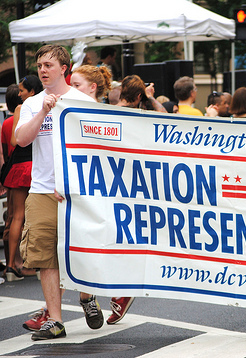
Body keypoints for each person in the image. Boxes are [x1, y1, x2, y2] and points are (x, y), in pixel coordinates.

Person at [15, 45, 105, 341]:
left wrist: (76, 184)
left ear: (64, 68)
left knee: (82, 250)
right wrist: (43, 110)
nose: (42, 70)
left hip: (77, 192)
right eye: (39, 65)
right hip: (42, 190)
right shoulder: (32, 103)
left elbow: (97, 148)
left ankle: (87, 296)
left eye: (48, 65)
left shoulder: (83, 101)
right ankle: (55, 320)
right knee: (45, 257)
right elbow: (21, 140)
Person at [71, 65, 137, 325]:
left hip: (107, 188)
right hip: (75, 189)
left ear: (92, 88)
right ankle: (80, 301)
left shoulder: (109, 114)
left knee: (102, 242)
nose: (70, 90)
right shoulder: (65, 113)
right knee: (71, 246)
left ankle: (105, 294)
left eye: (75, 85)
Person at [2, 76, 43, 282]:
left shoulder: (22, 109)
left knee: (17, 216)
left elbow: (13, 141)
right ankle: (35, 265)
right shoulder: (45, 106)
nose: (19, 94)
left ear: (32, 91)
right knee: (35, 217)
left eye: (22, 90)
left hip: (20, 166)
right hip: (36, 166)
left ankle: (10, 266)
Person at [1, 84, 23, 278]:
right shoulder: (25, 115)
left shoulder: (6, 124)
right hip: (26, 168)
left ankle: (10, 262)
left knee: (11, 217)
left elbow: (5, 151)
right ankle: (21, 262)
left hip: (10, 171)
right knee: (23, 218)